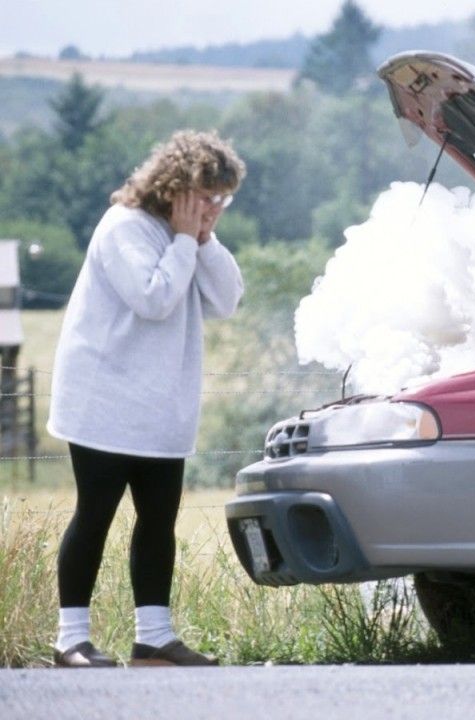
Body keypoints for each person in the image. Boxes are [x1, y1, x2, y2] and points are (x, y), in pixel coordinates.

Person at [47, 130, 245, 667]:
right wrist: (185, 240)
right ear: (177, 187)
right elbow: (153, 299)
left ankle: (153, 637)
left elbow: (227, 299)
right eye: (208, 196)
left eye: (222, 199)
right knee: (96, 515)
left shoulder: (189, 235)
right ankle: (70, 640)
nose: (214, 207)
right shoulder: (124, 227)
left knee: (158, 519)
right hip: (105, 401)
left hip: (161, 406)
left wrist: (202, 240)